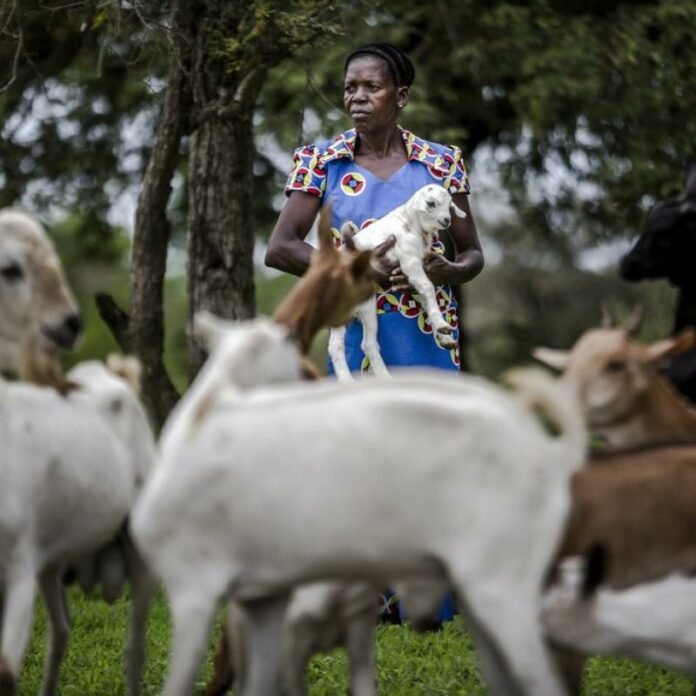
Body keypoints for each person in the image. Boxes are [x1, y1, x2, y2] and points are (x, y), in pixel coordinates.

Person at [265, 42, 484, 622]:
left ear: (401, 97)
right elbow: (281, 247)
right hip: (354, 333)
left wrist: (450, 270)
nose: (356, 97)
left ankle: (428, 596)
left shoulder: (440, 164)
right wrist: (350, 269)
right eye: (349, 88)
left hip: (426, 335)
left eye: (371, 87)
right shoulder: (322, 161)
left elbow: (473, 253)